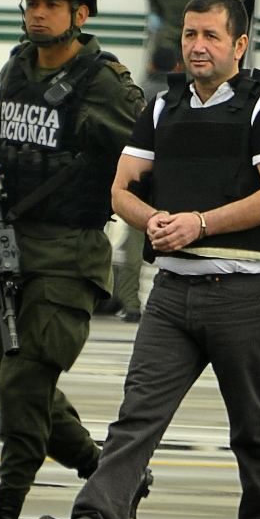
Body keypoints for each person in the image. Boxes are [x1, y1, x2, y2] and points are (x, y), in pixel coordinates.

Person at [37, 0, 260, 519]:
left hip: (244, 295)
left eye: (210, 36)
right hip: (173, 296)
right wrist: (147, 219)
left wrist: (200, 223)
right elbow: (122, 188)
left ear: (239, 44)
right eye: (189, 34)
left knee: (251, 430)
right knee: (135, 420)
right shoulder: (162, 107)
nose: (197, 46)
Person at [0, 0, 149, 519]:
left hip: (69, 251)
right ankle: (105, 471)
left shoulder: (104, 82)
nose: (37, 14)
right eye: (30, 4)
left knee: (26, 382)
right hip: (13, 246)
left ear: (80, 13)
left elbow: (147, 151)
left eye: (51, 6)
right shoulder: (15, 68)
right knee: (7, 373)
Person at [112, 46, 182, 323]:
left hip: (141, 178)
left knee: (134, 242)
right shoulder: (183, 96)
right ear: (177, 67)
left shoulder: (138, 92)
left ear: (151, 64)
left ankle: (130, 301)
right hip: (173, 178)